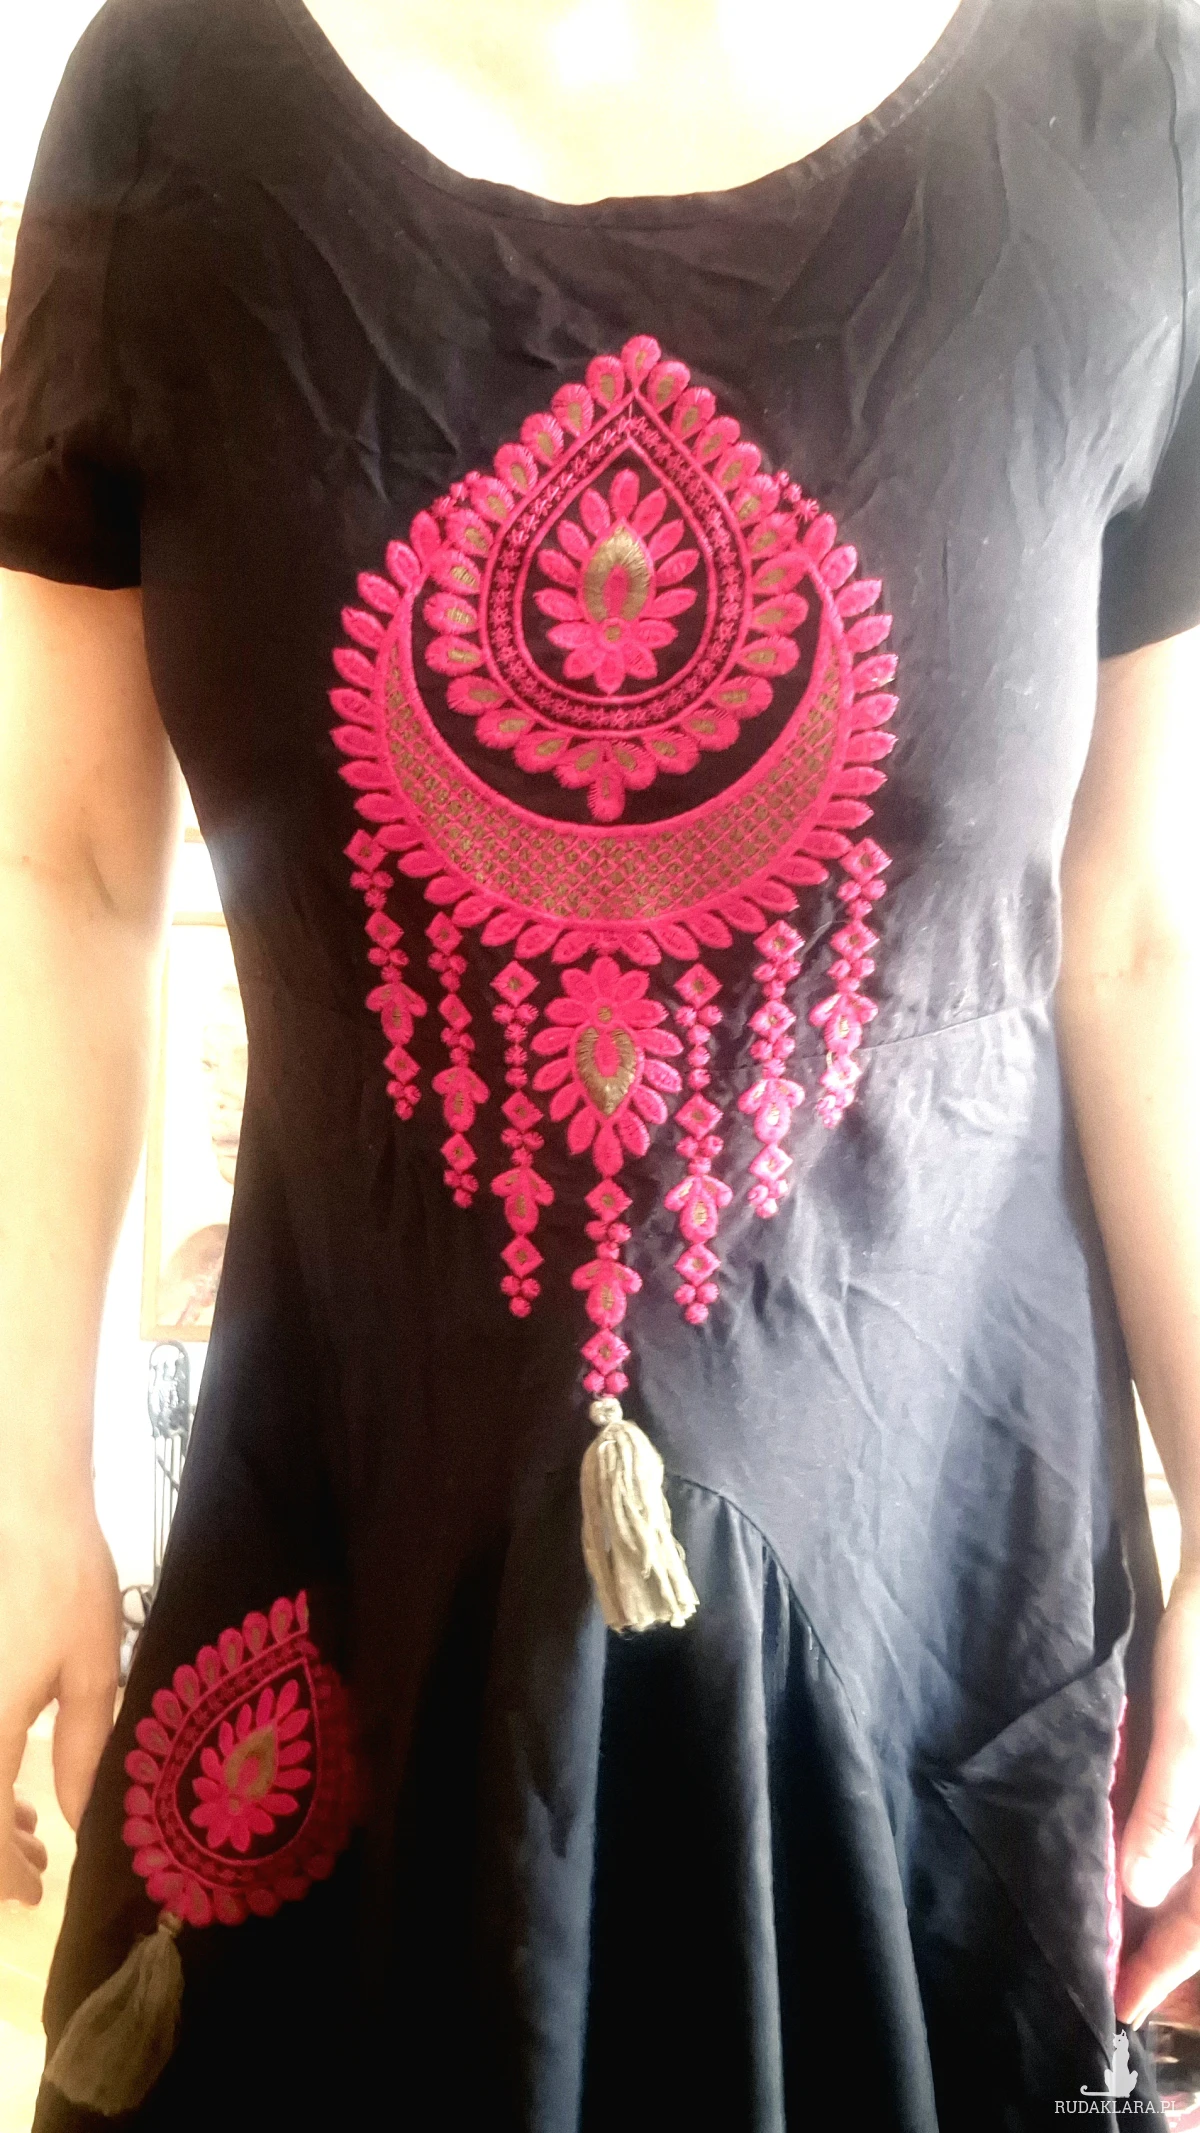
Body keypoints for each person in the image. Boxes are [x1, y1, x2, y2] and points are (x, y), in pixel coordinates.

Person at [2, 0, 1200, 2122]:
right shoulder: (172, 102)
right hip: (367, 1542)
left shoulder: (1131, 100)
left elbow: (1136, 929)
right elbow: (64, 864)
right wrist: (27, 1475)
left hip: (932, 1573)